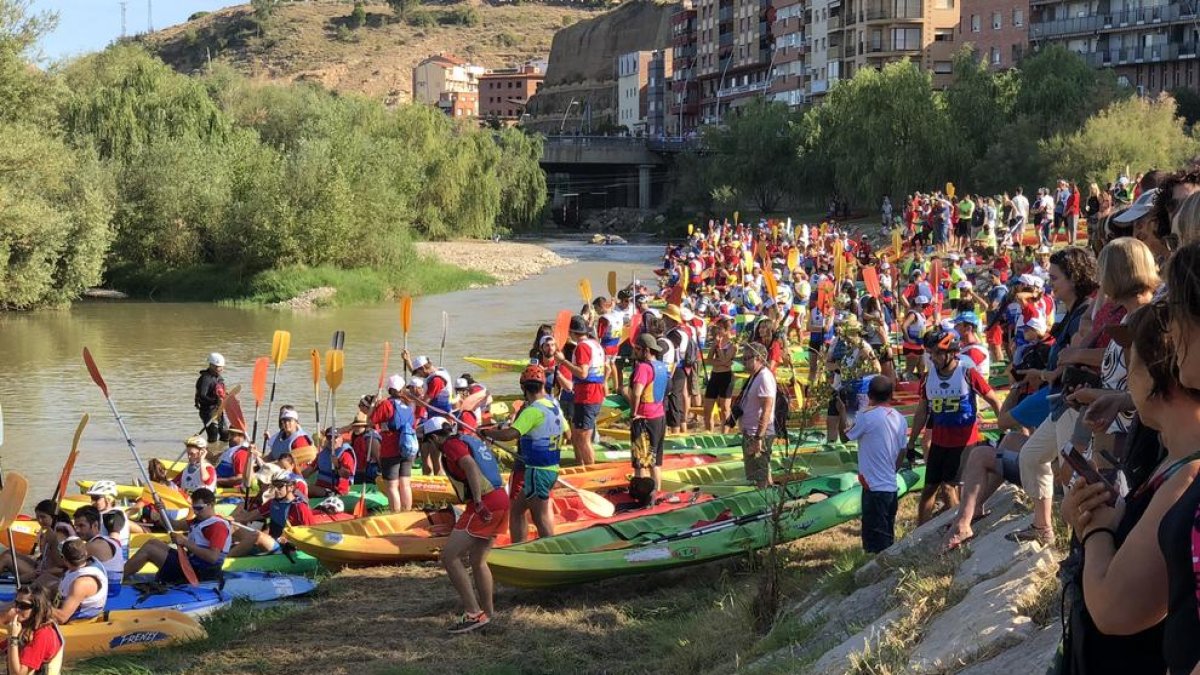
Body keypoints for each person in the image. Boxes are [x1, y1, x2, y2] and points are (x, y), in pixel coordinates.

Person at [1058, 302, 1200, 675]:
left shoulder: (1186, 477)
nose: (1125, 380)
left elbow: (1114, 609)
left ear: (1158, 377)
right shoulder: (1171, 457)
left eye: (1131, 364)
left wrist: (1096, 530)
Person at [1010, 247, 1099, 544]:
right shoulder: (1073, 311)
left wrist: (1051, 372)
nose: (1051, 284)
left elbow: (1074, 360)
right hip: (1061, 400)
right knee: (1032, 456)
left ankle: (1083, 540)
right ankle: (1043, 527)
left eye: (1056, 277)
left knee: (1073, 472)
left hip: (1073, 401)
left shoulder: (1085, 311)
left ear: (1075, 278)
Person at [906, 329, 1004, 524]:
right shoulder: (927, 378)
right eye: (930, 353)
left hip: (964, 442)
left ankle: (957, 528)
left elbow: (994, 400)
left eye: (936, 353)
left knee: (950, 488)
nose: (932, 358)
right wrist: (911, 442)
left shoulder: (968, 374)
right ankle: (919, 534)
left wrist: (1004, 427)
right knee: (928, 490)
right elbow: (922, 412)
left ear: (951, 353)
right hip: (940, 442)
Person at [425, 418, 508, 634]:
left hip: (485, 503)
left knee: (449, 557)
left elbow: (470, 466)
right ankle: (487, 614)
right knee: (478, 561)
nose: (429, 446)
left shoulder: (451, 445)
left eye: (428, 442)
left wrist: (478, 502)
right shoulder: (467, 439)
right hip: (501, 499)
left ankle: (473, 613)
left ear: (434, 438)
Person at [480, 365, 566, 543]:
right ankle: (519, 546)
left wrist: (486, 433)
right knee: (517, 510)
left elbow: (510, 434)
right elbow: (568, 433)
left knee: (540, 517)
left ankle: (553, 553)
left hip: (538, 471)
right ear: (543, 386)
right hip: (550, 469)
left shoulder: (532, 411)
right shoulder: (554, 406)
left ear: (523, 388)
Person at [839, 376, 907, 553]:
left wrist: (842, 412)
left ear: (869, 396)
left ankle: (879, 575)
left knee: (875, 545)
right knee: (887, 535)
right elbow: (903, 450)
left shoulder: (866, 417)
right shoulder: (900, 418)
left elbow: (844, 437)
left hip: (873, 488)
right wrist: (892, 470)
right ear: (891, 395)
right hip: (891, 488)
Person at [124, 488, 230, 584]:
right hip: (189, 565)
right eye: (194, 508)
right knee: (153, 542)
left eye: (199, 508)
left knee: (150, 549)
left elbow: (213, 557)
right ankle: (124, 576)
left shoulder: (217, 526)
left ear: (211, 505)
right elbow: (174, 525)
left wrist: (184, 542)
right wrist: (162, 511)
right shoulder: (198, 521)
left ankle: (117, 580)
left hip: (200, 574)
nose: (196, 512)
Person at [554, 315, 605, 466]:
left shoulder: (582, 347)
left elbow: (583, 373)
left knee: (583, 437)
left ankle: (591, 470)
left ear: (572, 332)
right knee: (576, 435)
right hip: (591, 393)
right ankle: (579, 464)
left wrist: (563, 361)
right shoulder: (595, 343)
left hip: (587, 395)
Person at [228, 471, 314, 557]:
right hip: (274, 542)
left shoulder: (300, 508)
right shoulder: (273, 502)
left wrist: (291, 543)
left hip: (288, 548)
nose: (275, 490)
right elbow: (248, 517)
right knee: (233, 526)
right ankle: (220, 551)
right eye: (274, 485)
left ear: (291, 487)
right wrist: (225, 519)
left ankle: (223, 562)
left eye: (280, 486)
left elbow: (311, 536)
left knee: (257, 535)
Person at [626, 333, 670, 495]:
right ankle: (656, 493)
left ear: (646, 350)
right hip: (659, 417)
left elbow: (637, 393)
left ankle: (642, 494)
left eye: (637, 349)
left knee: (641, 462)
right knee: (655, 462)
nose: (635, 352)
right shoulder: (661, 366)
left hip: (644, 418)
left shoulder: (643, 367)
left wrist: (633, 413)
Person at [370, 375, 419, 511]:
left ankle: (395, 514)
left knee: (392, 486)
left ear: (390, 390)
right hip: (408, 447)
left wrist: (374, 405)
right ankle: (406, 512)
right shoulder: (408, 405)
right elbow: (413, 425)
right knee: (405, 484)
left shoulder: (386, 404)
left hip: (391, 448)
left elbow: (371, 422)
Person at [736, 343, 778, 489]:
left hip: (758, 434)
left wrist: (758, 437)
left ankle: (764, 504)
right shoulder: (755, 376)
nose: (744, 361)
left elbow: (767, 409)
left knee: (759, 475)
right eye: (743, 358)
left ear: (759, 358)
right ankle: (768, 496)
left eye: (748, 358)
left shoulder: (764, 378)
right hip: (751, 432)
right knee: (760, 472)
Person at [0, 501, 70, 587]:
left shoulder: (60, 534)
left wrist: (53, 541)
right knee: (8, 552)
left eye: (43, 517)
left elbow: (62, 564)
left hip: (45, 573)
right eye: (37, 517)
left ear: (54, 517)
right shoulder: (52, 529)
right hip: (41, 565)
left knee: (6, 558)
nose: (39, 520)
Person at [2, 586, 63, 675]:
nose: (17, 609)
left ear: (37, 608)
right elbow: (3, 649)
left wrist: (13, 637)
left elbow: (18, 674)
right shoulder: (26, 626)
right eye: (16, 603)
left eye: (23, 606)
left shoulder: (43, 634)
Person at [70, 506, 124, 597]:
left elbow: (65, 566)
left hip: (107, 591)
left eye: (81, 526)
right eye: (75, 526)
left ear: (95, 525)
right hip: (114, 587)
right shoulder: (108, 540)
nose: (77, 530)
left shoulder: (92, 546)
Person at [52, 539, 106, 623]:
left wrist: (41, 605)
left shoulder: (80, 584)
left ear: (65, 560)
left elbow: (62, 618)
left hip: (78, 623)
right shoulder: (93, 562)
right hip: (69, 608)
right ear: (85, 554)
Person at [702, 316, 737, 432]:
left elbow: (725, 360)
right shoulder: (716, 341)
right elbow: (708, 360)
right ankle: (709, 433)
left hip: (726, 377)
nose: (718, 331)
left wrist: (720, 347)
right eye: (717, 328)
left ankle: (725, 434)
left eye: (720, 328)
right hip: (715, 375)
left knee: (725, 409)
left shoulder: (733, 344)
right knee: (707, 409)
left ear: (727, 330)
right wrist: (716, 348)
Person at [304, 428, 355, 498]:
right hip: (321, 488)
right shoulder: (322, 454)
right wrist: (295, 477)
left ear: (341, 438)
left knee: (308, 489)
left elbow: (346, 475)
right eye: (329, 437)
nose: (332, 440)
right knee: (301, 487)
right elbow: (308, 471)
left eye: (335, 437)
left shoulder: (346, 455)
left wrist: (338, 465)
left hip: (336, 491)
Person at [85, 481, 137, 546]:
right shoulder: (104, 514)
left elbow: (114, 543)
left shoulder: (114, 515)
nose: (92, 502)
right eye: (92, 498)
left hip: (113, 554)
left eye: (96, 498)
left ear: (108, 499)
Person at [194, 352, 227, 443]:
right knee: (213, 434)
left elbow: (221, 392)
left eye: (221, 367)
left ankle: (221, 453)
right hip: (207, 411)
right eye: (218, 367)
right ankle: (210, 453)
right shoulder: (205, 379)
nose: (220, 369)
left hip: (218, 410)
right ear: (211, 365)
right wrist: (216, 401)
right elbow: (202, 395)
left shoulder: (218, 378)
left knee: (225, 434)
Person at [347, 413, 380, 485]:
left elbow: (378, 457)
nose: (356, 428)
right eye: (355, 426)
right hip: (359, 468)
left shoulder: (371, 438)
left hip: (370, 470)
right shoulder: (356, 436)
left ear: (365, 426)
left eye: (359, 426)